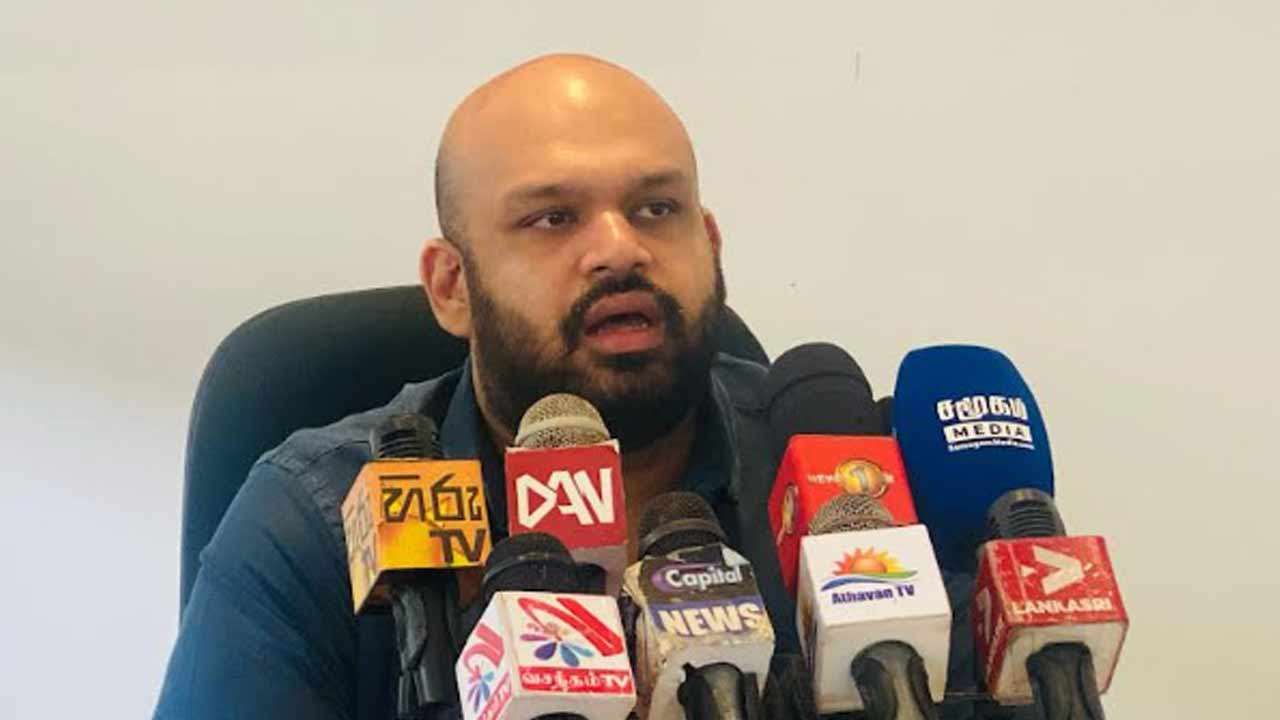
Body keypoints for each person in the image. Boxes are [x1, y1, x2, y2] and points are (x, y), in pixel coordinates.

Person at [155, 53, 1010, 719]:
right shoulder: (317, 516)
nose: (619, 249)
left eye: (656, 209)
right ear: (452, 285)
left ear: (711, 244)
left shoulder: (855, 487)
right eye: (553, 218)